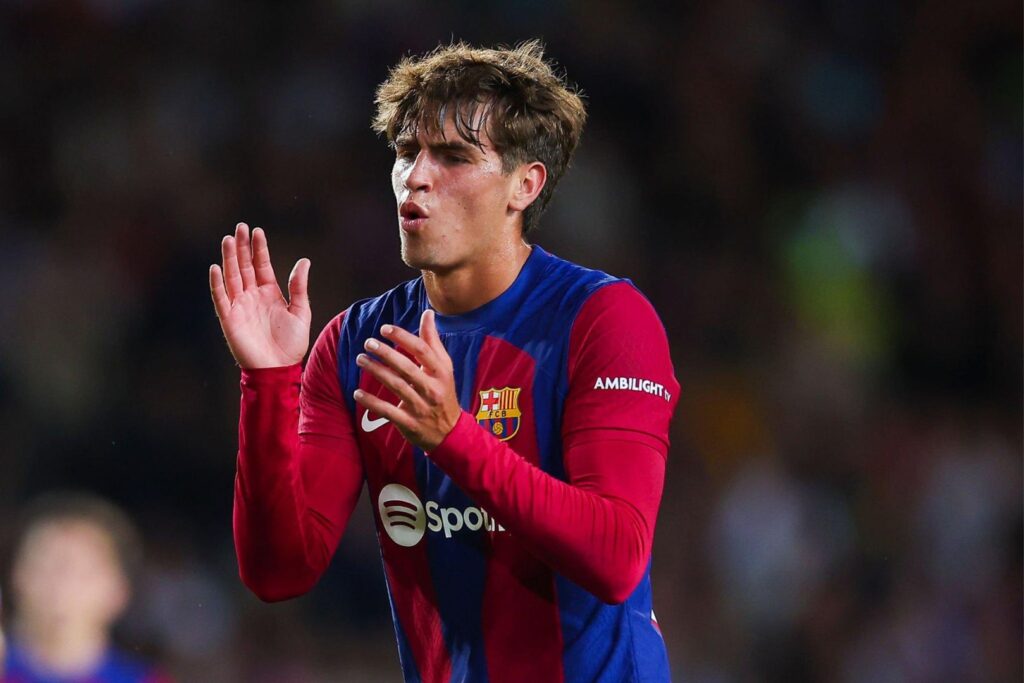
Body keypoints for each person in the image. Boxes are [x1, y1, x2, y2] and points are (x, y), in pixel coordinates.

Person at [211, 41, 680, 682]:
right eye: (407, 152)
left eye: (454, 156)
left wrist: (454, 437)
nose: (417, 177)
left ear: (525, 184)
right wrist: (267, 383)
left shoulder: (603, 319)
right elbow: (278, 573)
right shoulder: (355, 342)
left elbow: (617, 556)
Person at [1, 493, 170, 683]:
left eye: (84, 567)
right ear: (16, 574)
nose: (62, 580)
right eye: (45, 562)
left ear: (120, 590)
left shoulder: (144, 680)